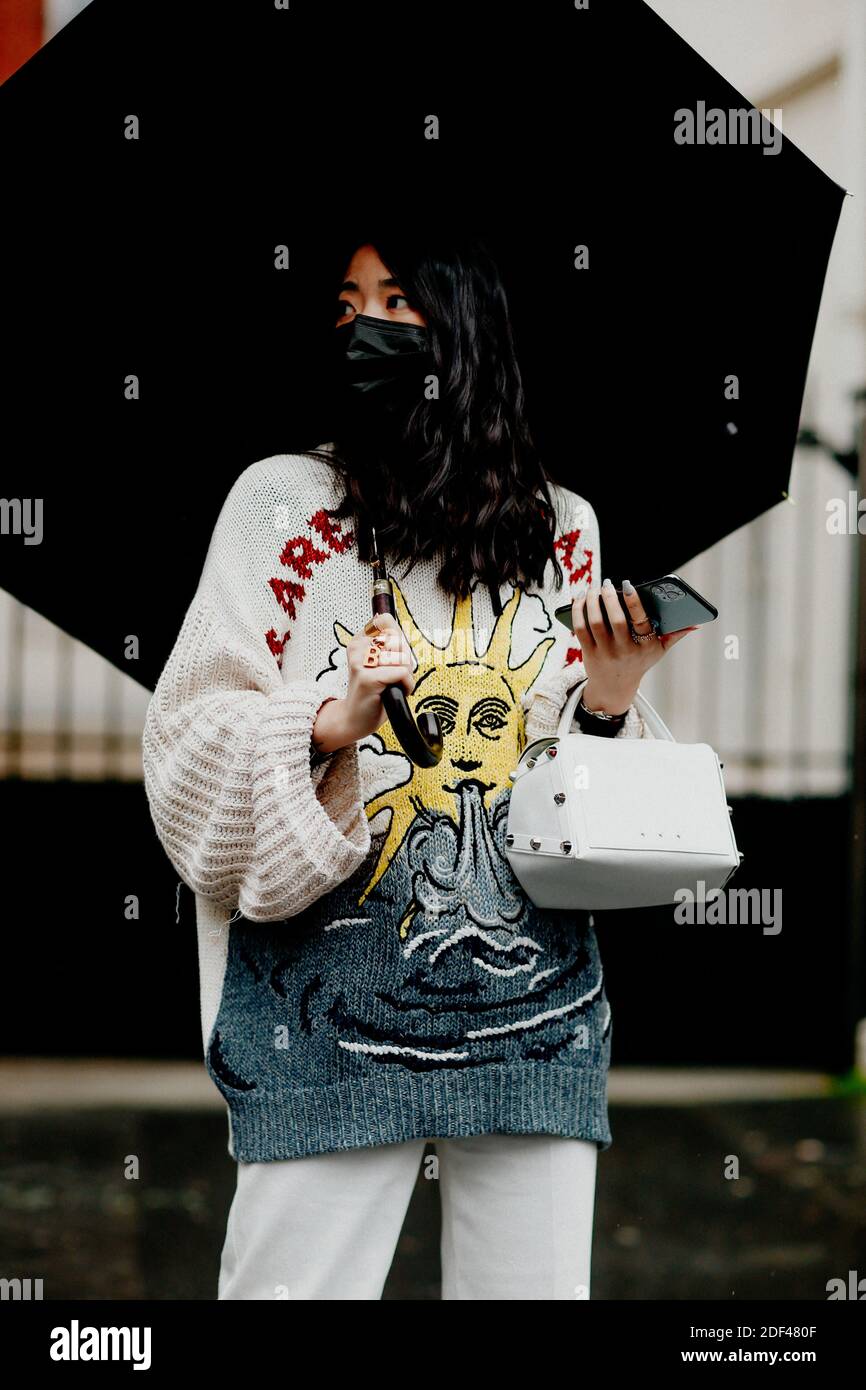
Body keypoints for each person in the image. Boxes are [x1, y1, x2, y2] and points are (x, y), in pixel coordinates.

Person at [141, 229, 696, 1300]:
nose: (364, 329)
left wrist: (612, 698)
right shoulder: (278, 503)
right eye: (347, 306)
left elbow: (572, 808)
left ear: (466, 325)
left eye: (396, 301)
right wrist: (323, 720)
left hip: (533, 1013)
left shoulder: (561, 525)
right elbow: (187, 739)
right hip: (322, 1017)